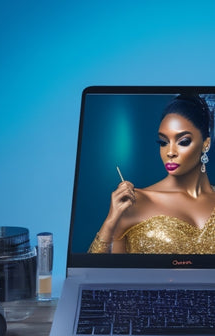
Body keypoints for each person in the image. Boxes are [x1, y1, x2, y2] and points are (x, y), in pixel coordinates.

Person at [89, 94, 215, 254]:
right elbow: (99, 274)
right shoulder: (132, 202)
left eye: (183, 142)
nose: (170, 152)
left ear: (206, 144)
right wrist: (110, 222)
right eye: (163, 142)